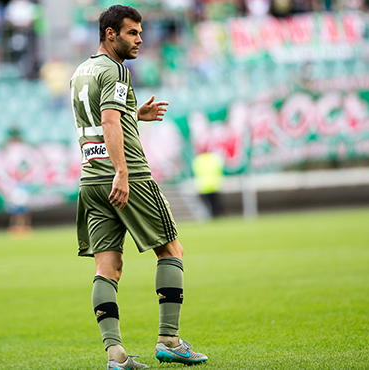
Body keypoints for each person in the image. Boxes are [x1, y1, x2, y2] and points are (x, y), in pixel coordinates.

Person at [70, 6, 208, 369]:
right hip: (125, 175)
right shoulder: (116, 70)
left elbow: (103, 117)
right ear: (110, 34)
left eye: (140, 32)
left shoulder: (81, 71)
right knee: (171, 249)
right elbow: (109, 119)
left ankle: (115, 355)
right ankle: (170, 340)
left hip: (91, 179)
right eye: (132, 33)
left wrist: (136, 113)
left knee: (107, 267)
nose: (140, 39)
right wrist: (122, 172)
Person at [192, 150, 225, 217]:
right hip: (214, 184)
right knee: (215, 202)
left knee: (209, 202)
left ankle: (212, 215)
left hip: (204, 186)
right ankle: (215, 214)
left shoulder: (198, 160)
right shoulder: (214, 158)